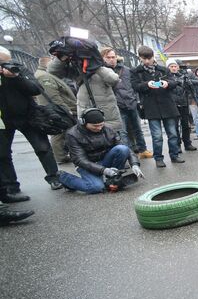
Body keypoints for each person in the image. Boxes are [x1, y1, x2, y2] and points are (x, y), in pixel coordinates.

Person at [0, 46, 63, 202]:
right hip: (3, 119)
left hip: (28, 115)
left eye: (4, 61)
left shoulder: (19, 69)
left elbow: (35, 89)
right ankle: (12, 187)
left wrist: (15, 77)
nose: (4, 65)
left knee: (42, 148)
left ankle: (54, 177)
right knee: (3, 154)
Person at [47, 38, 124, 137]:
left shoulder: (104, 69)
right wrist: (62, 57)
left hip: (107, 116)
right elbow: (53, 71)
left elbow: (114, 80)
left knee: (115, 146)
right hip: (86, 114)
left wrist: (95, 66)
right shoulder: (77, 71)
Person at [58, 108, 143, 194]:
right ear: (83, 122)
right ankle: (64, 178)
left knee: (122, 149)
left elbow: (124, 147)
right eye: (95, 126)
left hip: (105, 159)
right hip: (86, 165)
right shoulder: (72, 134)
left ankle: (113, 179)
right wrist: (104, 170)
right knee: (96, 187)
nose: (99, 128)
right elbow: (80, 160)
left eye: (101, 125)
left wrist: (134, 164)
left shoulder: (108, 129)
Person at [130, 46, 183, 167]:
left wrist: (167, 83)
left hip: (168, 105)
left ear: (153, 56)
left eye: (149, 58)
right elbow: (135, 86)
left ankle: (174, 155)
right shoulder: (135, 71)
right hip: (151, 107)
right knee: (157, 136)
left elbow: (174, 82)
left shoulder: (163, 69)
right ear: (140, 58)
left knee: (173, 133)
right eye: (144, 58)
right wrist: (147, 84)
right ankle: (158, 158)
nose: (147, 61)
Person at [102, 48, 152, 159]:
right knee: (122, 132)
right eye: (108, 57)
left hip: (131, 103)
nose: (111, 60)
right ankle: (129, 155)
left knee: (137, 129)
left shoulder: (126, 70)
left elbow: (133, 86)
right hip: (117, 106)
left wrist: (136, 99)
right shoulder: (102, 72)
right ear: (103, 58)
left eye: (113, 57)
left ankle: (143, 150)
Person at [34, 56, 77, 164]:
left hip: (57, 108)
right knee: (59, 133)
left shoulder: (45, 75)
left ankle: (62, 155)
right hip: (57, 110)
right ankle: (60, 157)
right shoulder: (44, 76)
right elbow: (53, 96)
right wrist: (65, 109)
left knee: (61, 132)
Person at [166, 59, 198, 152]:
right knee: (174, 126)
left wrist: (189, 82)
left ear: (178, 67)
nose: (174, 68)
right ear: (168, 68)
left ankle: (187, 143)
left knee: (185, 125)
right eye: (171, 66)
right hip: (173, 105)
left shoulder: (184, 76)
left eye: (175, 66)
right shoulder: (166, 77)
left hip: (184, 102)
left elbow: (195, 84)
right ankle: (177, 145)